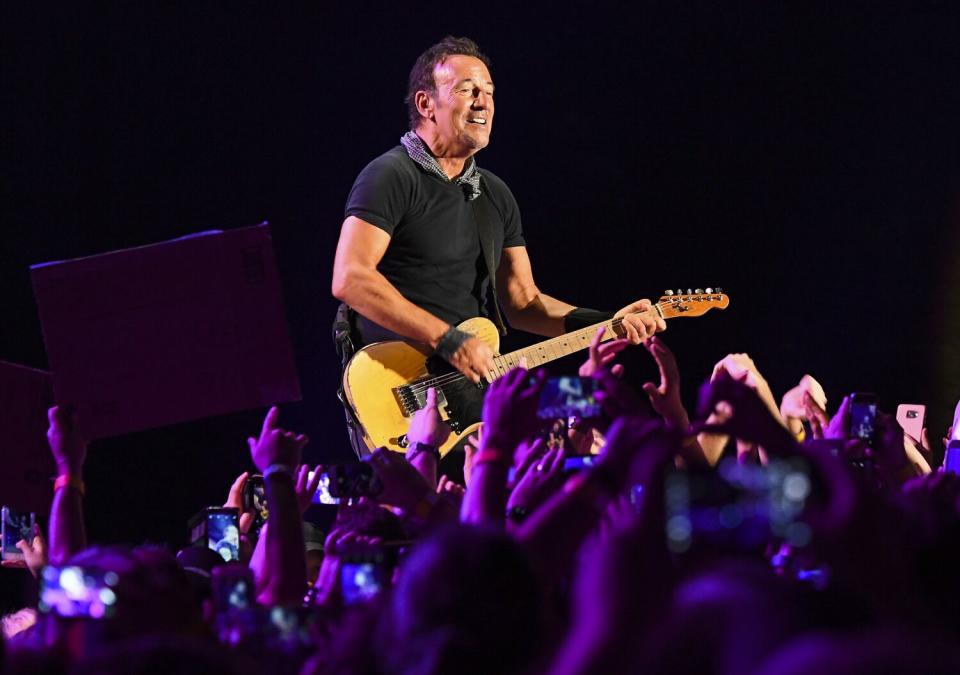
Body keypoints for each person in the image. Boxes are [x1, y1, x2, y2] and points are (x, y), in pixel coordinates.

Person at [331, 36, 665, 390]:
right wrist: (448, 340)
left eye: (489, 92)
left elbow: (524, 302)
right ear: (426, 104)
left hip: (471, 389)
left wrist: (608, 321)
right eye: (467, 89)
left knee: (587, 411)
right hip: (398, 390)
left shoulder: (494, 194)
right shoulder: (390, 176)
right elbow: (350, 277)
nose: (483, 103)